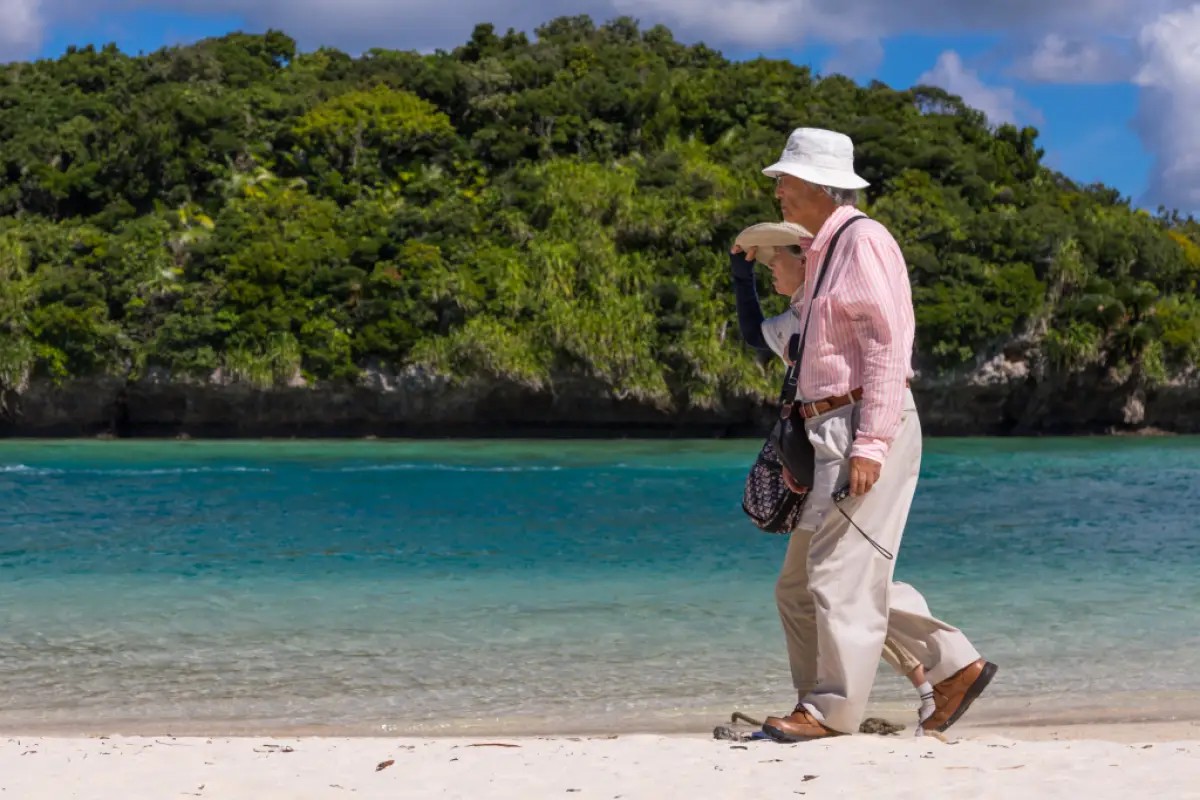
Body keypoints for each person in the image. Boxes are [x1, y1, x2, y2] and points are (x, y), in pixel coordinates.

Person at [747, 127, 997, 741]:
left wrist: (870, 444)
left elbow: (888, 345)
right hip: (829, 425)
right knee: (802, 583)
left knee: (837, 574)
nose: (778, 189)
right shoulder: (827, 251)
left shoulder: (864, 242)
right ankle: (951, 667)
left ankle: (829, 712)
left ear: (816, 183)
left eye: (785, 179)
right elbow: (788, 342)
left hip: (860, 422)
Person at [729, 232, 937, 732]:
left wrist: (869, 445)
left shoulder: (828, 308)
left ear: (806, 262)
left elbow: (885, 361)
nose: (772, 270)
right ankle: (922, 685)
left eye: (776, 260)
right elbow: (755, 333)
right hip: (826, 454)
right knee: (827, 585)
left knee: (826, 584)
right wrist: (742, 273)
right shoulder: (798, 319)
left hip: (848, 448)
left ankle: (825, 706)